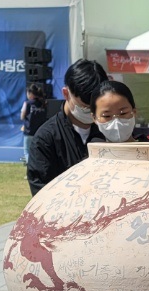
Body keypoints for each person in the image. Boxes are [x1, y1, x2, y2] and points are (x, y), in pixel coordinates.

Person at [27, 58, 107, 195]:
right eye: (85, 107)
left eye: (96, 107)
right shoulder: (45, 140)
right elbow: (41, 194)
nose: (92, 113)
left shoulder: (108, 130)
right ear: (66, 94)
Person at [19, 83, 50, 161]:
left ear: (30, 94)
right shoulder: (43, 103)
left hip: (29, 131)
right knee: (37, 151)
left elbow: (22, 117)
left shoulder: (27, 103)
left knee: (27, 151)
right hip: (40, 131)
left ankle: (30, 165)